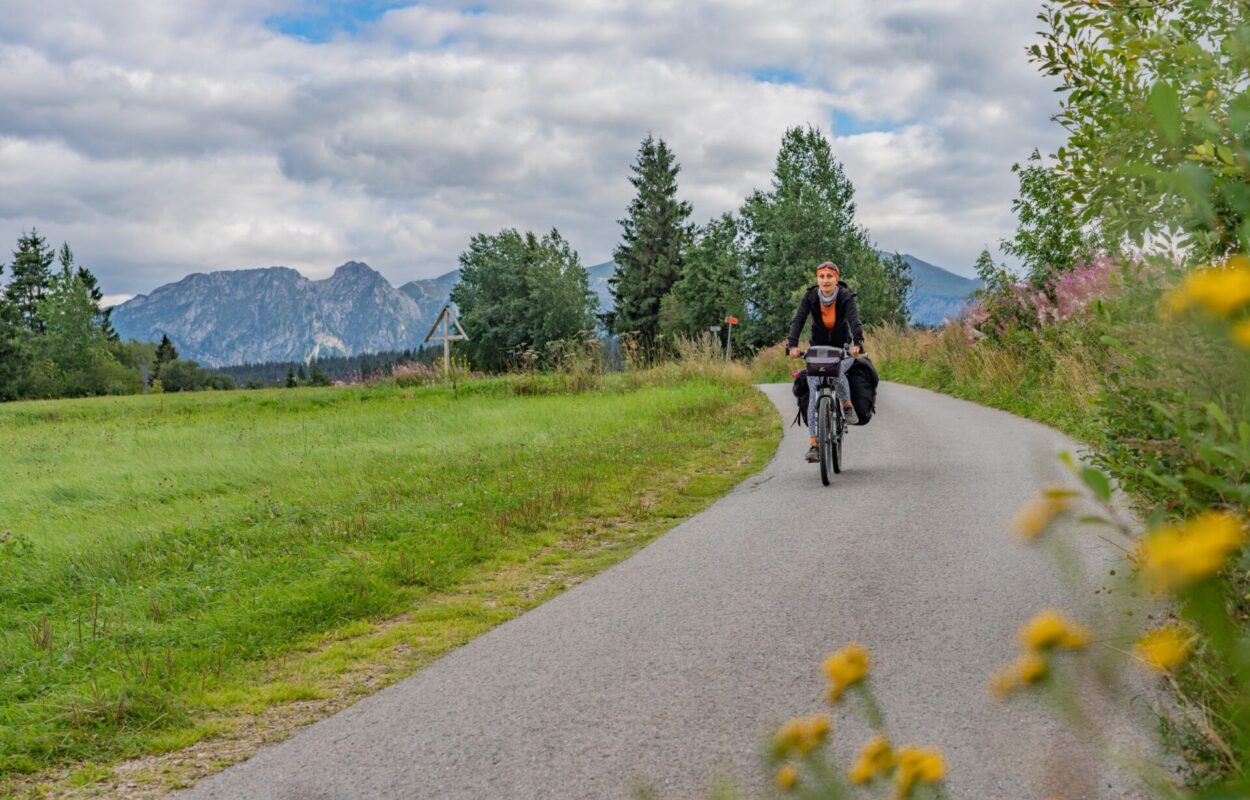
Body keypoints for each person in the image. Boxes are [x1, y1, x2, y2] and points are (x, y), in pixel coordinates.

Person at [787, 261, 864, 462]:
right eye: (821, 277)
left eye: (829, 276)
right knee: (813, 393)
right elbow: (799, 320)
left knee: (837, 371)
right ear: (817, 279)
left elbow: (854, 320)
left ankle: (846, 405)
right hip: (818, 350)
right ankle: (814, 444)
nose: (825, 280)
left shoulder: (845, 296)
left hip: (842, 348)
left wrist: (857, 343)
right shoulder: (811, 297)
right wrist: (792, 345)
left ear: (836, 279)